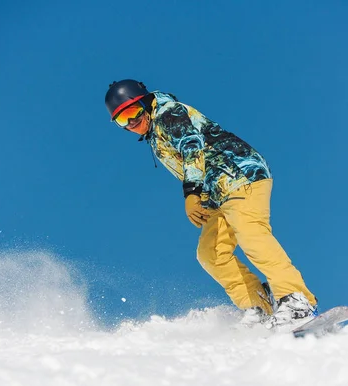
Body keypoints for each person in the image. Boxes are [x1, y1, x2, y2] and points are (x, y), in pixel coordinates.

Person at [105, 79, 317, 329]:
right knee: (211, 254)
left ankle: (296, 301)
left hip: (240, 175)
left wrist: (192, 193)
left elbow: (192, 147)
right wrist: (202, 196)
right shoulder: (154, 134)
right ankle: (260, 307)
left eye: (132, 112)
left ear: (145, 102)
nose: (131, 123)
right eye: (122, 120)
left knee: (251, 234)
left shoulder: (168, 113)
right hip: (218, 194)